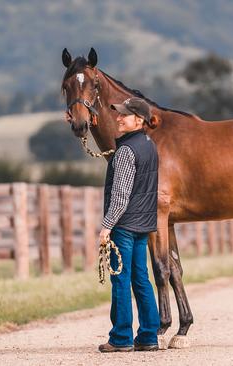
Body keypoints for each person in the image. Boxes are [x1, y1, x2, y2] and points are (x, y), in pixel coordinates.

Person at [97, 97, 161, 352]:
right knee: (141, 279)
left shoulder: (125, 151)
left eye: (124, 115)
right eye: (119, 114)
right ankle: (148, 336)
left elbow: (121, 196)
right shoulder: (149, 145)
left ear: (139, 120)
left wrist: (106, 226)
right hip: (143, 224)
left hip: (124, 225)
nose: (118, 118)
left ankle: (121, 338)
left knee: (121, 280)